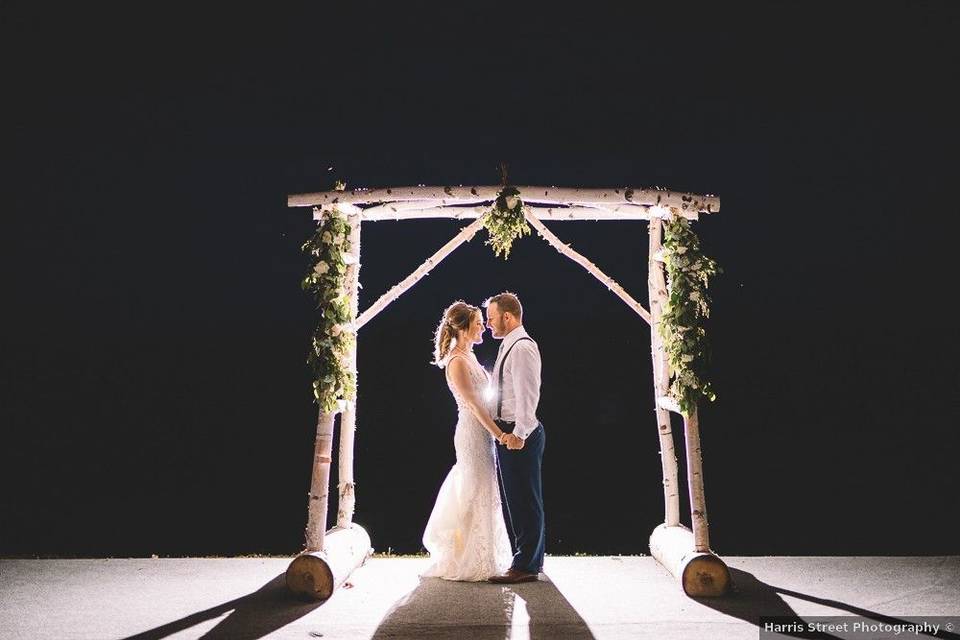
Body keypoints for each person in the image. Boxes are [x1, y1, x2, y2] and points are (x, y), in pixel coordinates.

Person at [421, 301, 516, 581]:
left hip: (482, 432)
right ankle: (466, 559)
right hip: (472, 433)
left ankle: (482, 555)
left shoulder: (470, 356)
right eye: (477, 323)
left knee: (484, 488)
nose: (483, 327)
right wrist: (500, 434)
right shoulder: (457, 362)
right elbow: (474, 405)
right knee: (473, 489)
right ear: (463, 328)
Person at [484, 292, 546, 584]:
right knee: (517, 500)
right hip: (508, 432)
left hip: (520, 434)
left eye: (491, 318)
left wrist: (519, 434)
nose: (488, 324)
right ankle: (528, 560)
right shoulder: (510, 344)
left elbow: (527, 394)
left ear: (507, 317)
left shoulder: (522, 348)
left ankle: (526, 565)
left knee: (524, 500)